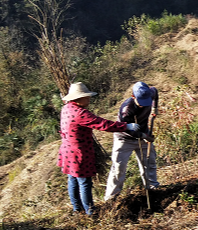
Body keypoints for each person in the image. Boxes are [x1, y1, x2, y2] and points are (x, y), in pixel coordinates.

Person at [58, 82, 140, 217]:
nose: (89, 99)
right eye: (86, 97)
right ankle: (91, 212)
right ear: (78, 99)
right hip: (79, 152)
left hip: (67, 150)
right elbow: (102, 124)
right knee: (84, 182)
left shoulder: (66, 108)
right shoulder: (80, 113)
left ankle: (77, 209)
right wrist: (126, 127)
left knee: (72, 179)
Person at [104, 81, 160, 201]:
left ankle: (152, 189)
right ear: (133, 96)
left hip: (143, 134)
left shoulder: (150, 93)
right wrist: (144, 136)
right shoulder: (126, 110)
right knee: (119, 168)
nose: (144, 105)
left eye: (146, 102)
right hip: (124, 138)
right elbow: (127, 130)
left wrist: (155, 107)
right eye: (141, 102)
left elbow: (155, 92)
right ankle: (111, 198)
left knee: (149, 162)